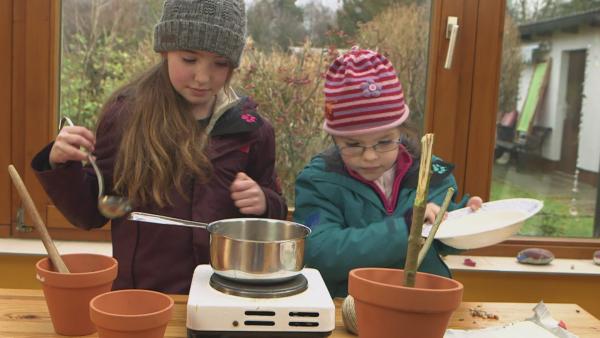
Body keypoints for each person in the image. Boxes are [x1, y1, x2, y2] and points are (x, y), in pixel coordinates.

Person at [31, 0, 287, 294]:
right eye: (189, 59)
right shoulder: (126, 117)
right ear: (165, 49)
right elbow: (92, 211)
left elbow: (276, 212)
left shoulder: (253, 130)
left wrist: (264, 202)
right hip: (143, 298)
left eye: (220, 63)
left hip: (226, 298)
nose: (203, 77)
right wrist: (61, 164)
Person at [293, 48, 482, 297]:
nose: (370, 156)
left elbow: (441, 238)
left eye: (384, 142)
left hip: (426, 301)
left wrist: (468, 219)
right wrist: (407, 229)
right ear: (334, 138)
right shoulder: (319, 180)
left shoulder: (430, 173)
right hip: (350, 306)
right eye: (352, 144)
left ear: (400, 131)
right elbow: (319, 250)